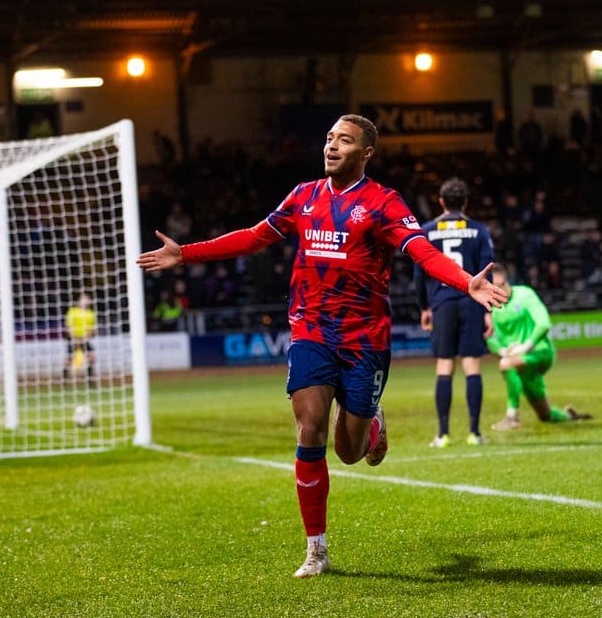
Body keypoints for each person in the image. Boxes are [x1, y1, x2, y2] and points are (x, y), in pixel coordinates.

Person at [137, 114, 506, 578]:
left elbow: (421, 250)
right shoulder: (303, 196)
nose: (331, 146)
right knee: (309, 429)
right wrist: (185, 253)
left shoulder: (383, 203)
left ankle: (369, 419)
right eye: (330, 138)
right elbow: (254, 237)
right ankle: (317, 549)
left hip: (364, 337)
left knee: (349, 452)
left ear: (366, 152)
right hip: (310, 327)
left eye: (344, 140)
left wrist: (462, 281)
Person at [414, 178, 495, 448]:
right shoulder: (479, 230)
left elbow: (419, 274)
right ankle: (474, 433)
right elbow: (487, 272)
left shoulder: (427, 231)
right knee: (471, 365)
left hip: (441, 303)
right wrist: (488, 310)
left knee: (444, 366)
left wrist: (425, 307)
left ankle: (443, 434)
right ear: (466, 202)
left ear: (441, 201)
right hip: (471, 302)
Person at [486, 264, 592, 430]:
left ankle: (512, 417)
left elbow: (543, 324)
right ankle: (569, 415)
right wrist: (502, 350)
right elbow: (489, 338)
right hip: (518, 361)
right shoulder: (491, 306)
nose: (492, 289)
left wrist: (526, 347)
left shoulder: (525, 295)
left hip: (540, 352)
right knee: (545, 415)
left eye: (494, 284)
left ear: (503, 280)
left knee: (505, 364)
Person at [63, 292, 97, 381]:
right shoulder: (73, 311)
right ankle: (64, 379)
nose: (86, 301)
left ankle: (89, 380)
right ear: (79, 301)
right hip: (73, 338)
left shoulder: (91, 314)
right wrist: (74, 339)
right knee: (69, 359)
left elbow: (92, 329)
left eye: (88, 299)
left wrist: (86, 339)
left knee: (91, 357)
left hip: (84, 339)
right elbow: (69, 327)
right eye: (84, 299)